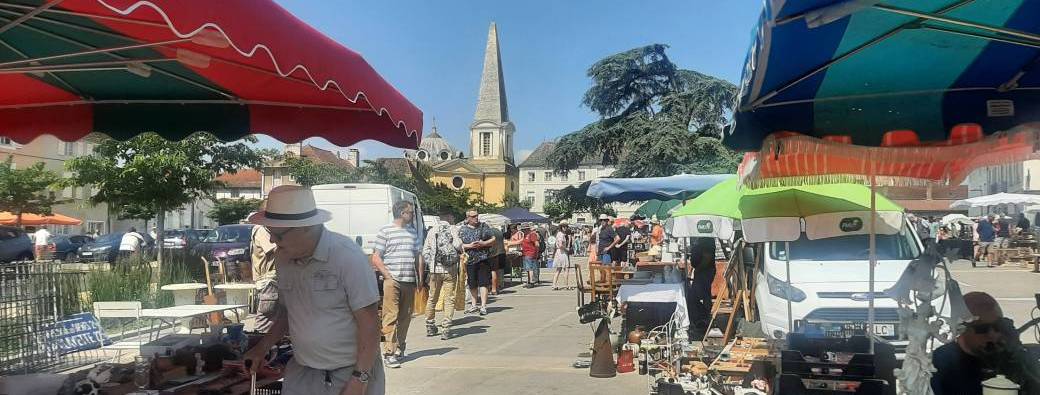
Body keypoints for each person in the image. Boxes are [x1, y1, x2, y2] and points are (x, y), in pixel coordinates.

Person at [243, 185, 384, 395]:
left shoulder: (347, 257)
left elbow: (370, 323)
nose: (272, 241)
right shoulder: (283, 257)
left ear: (305, 228)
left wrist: (359, 379)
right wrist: (262, 347)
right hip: (303, 373)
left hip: (349, 373)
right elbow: (287, 312)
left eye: (278, 235)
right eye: (270, 233)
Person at [931, 292, 1040, 394]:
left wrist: (1016, 359)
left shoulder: (1010, 357)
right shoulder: (941, 364)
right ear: (960, 328)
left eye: (998, 325)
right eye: (982, 328)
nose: (993, 335)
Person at [370, 201, 421, 368]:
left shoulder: (413, 232)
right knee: (390, 316)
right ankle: (388, 352)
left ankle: (400, 347)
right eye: (410, 212)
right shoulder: (386, 231)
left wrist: (420, 277)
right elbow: (376, 257)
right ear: (401, 213)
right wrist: (387, 275)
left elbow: (418, 255)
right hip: (393, 280)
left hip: (409, 280)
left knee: (406, 317)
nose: (412, 215)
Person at [421, 211, 462, 340]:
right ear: (449, 217)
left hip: (435, 270)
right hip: (450, 270)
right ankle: (446, 328)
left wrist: (431, 262)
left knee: (432, 297)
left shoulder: (432, 231)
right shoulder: (453, 229)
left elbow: (425, 251)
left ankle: (430, 325)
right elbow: (458, 245)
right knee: (449, 299)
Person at [459, 209, 495, 316]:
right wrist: (470, 246)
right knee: (472, 283)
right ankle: (474, 305)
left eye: (476, 216)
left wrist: (483, 243)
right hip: (469, 260)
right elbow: (458, 244)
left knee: (483, 282)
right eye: (473, 216)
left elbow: (493, 239)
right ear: (468, 218)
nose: (476, 218)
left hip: (483, 258)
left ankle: (483, 306)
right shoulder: (463, 229)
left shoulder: (484, 226)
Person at [250, 224, 279, 333]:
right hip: (270, 281)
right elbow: (274, 249)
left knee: (275, 323)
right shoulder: (262, 230)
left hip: (270, 280)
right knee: (264, 326)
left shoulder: (265, 229)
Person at [687, 238, 716, 329]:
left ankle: (704, 318)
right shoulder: (701, 239)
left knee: (700, 295)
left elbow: (708, 256)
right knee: (702, 293)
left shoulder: (706, 239)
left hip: (704, 270)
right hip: (701, 269)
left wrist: (699, 268)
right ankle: (703, 317)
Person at [551, 221, 574, 290]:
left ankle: (554, 285)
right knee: (566, 269)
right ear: (561, 227)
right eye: (564, 226)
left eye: (566, 226)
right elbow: (560, 245)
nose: (565, 228)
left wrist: (569, 239)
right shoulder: (561, 234)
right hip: (562, 252)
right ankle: (566, 285)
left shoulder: (560, 234)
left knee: (559, 269)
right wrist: (566, 249)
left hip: (559, 252)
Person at [520, 223, 540, 288]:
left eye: (524, 229)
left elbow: (537, 244)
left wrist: (535, 252)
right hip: (526, 253)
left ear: (527, 229)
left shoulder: (532, 234)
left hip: (530, 253)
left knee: (530, 268)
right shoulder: (525, 235)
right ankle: (529, 281)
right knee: (527, 269)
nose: (523, 231)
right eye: (522, 230)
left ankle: (531, 282)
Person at [489, 225, 506, 295]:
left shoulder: (489, 232)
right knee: (498, 271)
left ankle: (493, 289)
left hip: (493, 253)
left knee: (493, 271)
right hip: (501, 252)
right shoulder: (499, 231)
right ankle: (498, 287)